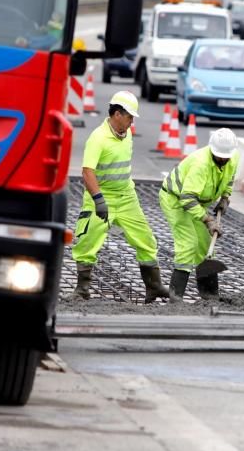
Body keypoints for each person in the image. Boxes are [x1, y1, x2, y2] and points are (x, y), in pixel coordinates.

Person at [72, 91, 171, 303]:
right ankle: (82, 290)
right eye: (129, 117)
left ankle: (153, 286)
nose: (132, 121)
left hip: (127, 197)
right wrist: (99, 199)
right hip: (101, 196)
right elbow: (87, 172)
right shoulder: (98, 138)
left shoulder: (127, 134)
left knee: (146, 240)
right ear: (117, 114)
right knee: (87, 243)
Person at [159, 128, 239, 299]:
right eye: (220, 156)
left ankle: (209, 295)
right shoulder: (200, 164)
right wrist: (208, 220)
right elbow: (186, 199)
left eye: (227, 157)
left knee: (204, 244)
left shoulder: (232, 158)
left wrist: (225, 197)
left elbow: (229, 178)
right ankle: (176, 296)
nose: (224, 159)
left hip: (197, 202)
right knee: (188, 244)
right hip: (175, 200)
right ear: (212, 150)